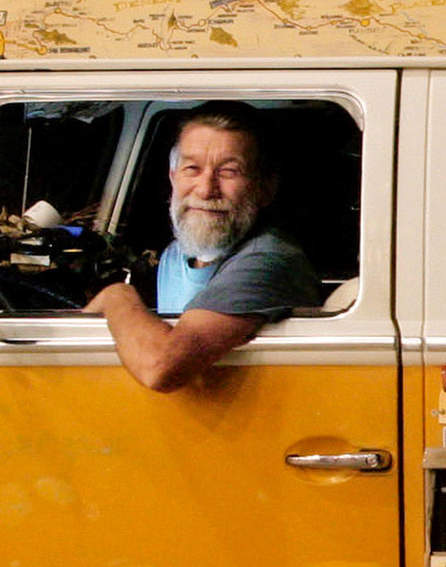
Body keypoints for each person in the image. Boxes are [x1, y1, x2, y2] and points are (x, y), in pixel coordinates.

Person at [86, 102, 320, 390]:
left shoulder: (270, 259)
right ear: (173, 178)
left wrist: (117, 297)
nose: (207, 189)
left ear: (265, 188)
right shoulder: (176, 254)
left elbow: (160, 367)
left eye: (229, 172)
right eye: (192, 168)